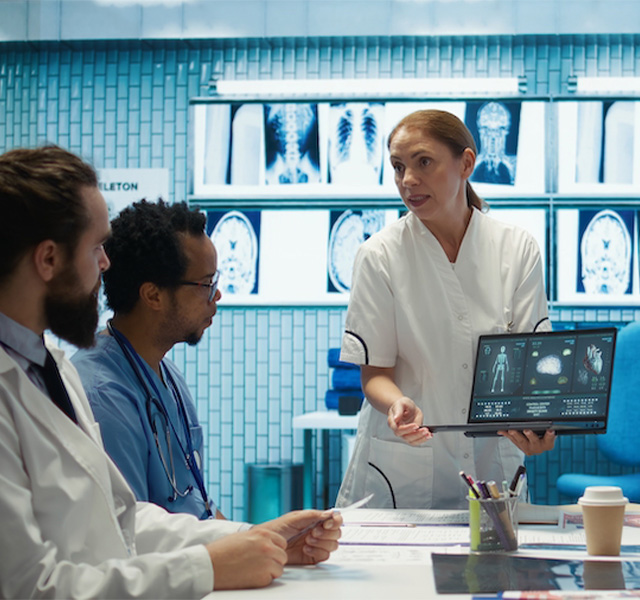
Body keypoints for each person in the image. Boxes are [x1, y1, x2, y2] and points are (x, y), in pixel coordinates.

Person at [0, 145, 341, 598]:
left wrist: (254, 536)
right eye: (96, 247)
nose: (106, 264)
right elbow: (28, 587)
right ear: (48, 259)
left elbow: (120, 519)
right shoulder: (82, 387)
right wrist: (206, 567)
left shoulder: (49, 368)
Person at [337, 109, 555, 510]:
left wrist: (536, 426)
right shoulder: (379, 255)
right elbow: (375, 374)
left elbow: (530, 369)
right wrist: (396, 404)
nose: (408, 180)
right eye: (398, 166)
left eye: (424, 162)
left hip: (492, 459)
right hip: (405, 465)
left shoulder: (517, 249)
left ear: (466, 164)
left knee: (496, 552)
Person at [72, 199, 224, 520]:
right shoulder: (102, 398)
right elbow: (129, 533)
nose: (217, 296)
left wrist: (266, 536)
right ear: (153, 295)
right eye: (206, 285)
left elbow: (198, 505)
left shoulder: (167, 376)